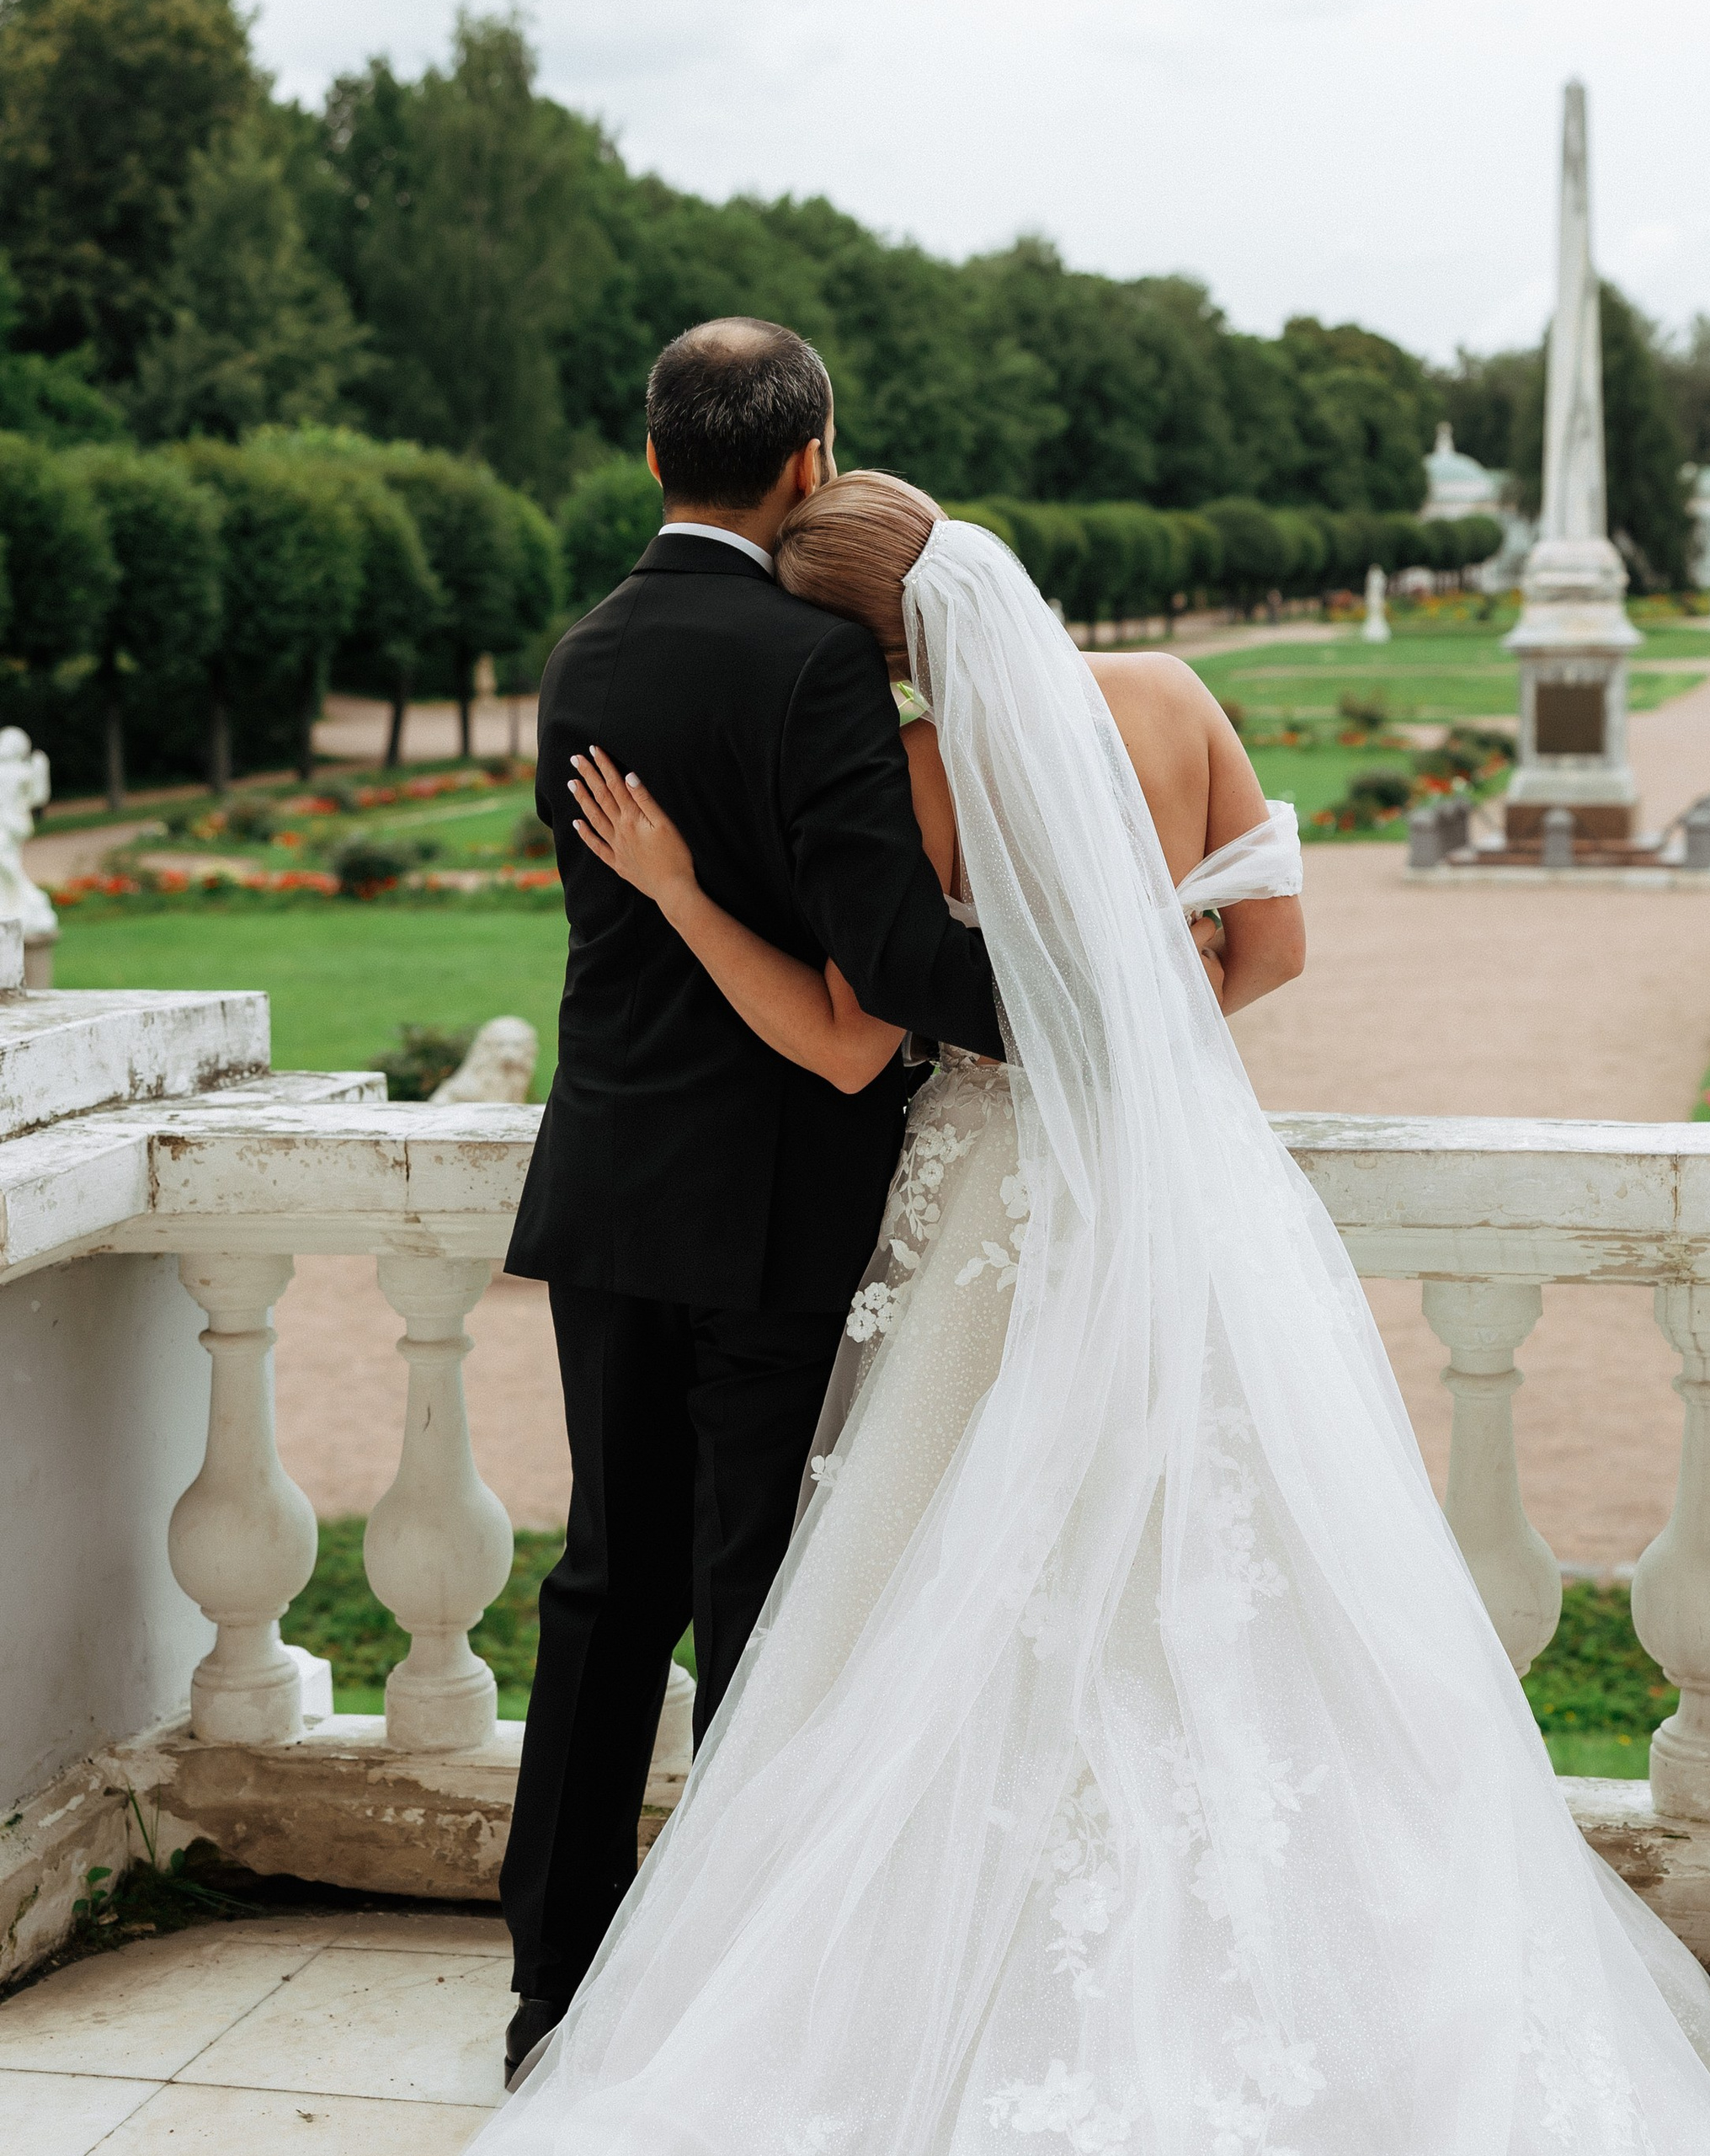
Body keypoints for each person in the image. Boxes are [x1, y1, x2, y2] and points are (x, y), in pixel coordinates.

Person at [479, 482, 1710, 2153]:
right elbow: (1275, 941)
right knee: (1239, 1568)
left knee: (949, 1577)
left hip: (992, 1212)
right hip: (1180, 1185)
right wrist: (1138, 1033)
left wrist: (686, 891)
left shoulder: (913, 776)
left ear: (873, 646)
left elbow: (853, 1042)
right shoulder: (1169, 702)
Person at [494, 323, 1004, 2083]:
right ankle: (720, 1987)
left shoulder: (584, 657)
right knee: (755, 1589)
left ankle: (552, 1981)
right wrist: (1093, 1000)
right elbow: (888, 958)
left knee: (603, 1579)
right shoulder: (811, 665)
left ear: (653, 457)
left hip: (611, 1183)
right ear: (810, 462)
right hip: (781, 1194)